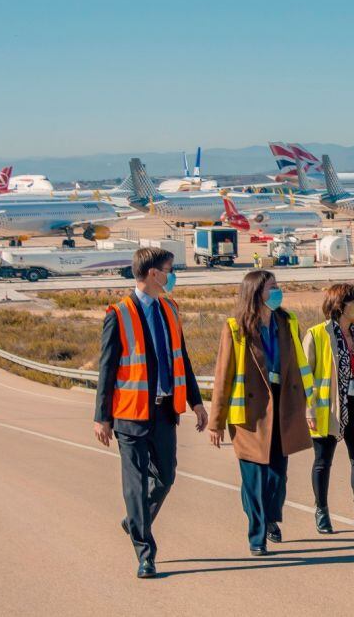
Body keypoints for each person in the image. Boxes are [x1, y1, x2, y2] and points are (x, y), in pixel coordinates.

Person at [93, 247, 208, 579]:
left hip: (163, 411)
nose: (172, 275)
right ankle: (146, 552)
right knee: (135, 484)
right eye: (169, 269)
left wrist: (196, 402)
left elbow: (180, 358)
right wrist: (102, 416)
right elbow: (107, 368)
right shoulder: (120, 313)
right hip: (130, 415)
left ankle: (134, 521)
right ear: (153, 273)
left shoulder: (169, 309)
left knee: (166, 476)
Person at [208, 270, 313, 555]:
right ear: (256, 293)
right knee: (254, 477)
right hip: (251, 414)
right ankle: (257, 535)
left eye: (278, 286)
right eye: (272, 287)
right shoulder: (235, 327)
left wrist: (310, 406)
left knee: (277, 477)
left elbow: (300, 367)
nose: (278, 291)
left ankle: (269, 517)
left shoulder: (287, 322)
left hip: (284, 407)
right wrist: (216, 422)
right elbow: (223, 376)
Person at [303, 282, 354, 540]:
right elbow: (305, 376)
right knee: (323, 462)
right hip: (328, 409)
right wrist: (309, 408)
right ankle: (321, 510)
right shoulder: (317, 334)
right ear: (341, 306)